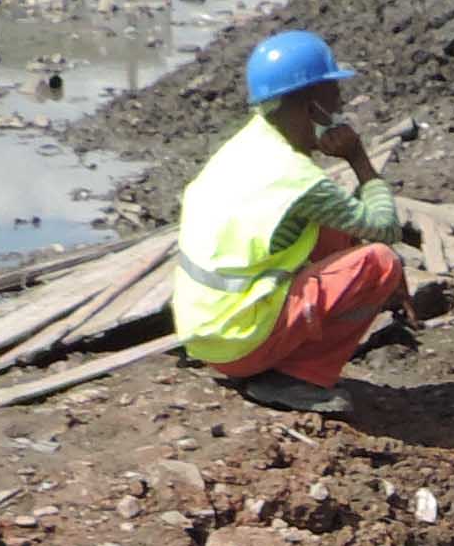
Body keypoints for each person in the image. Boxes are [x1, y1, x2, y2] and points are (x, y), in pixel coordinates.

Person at [169, 30, 412, 412]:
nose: (341, 108)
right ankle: (296, 377)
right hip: (239, 342)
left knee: (336, 227)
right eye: (335, 99)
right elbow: (386, 229)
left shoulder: (250, 145)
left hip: (206, 332)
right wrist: (359, 159)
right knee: (380, 263)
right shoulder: (297, 178)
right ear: (313, 106)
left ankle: (277, 349)